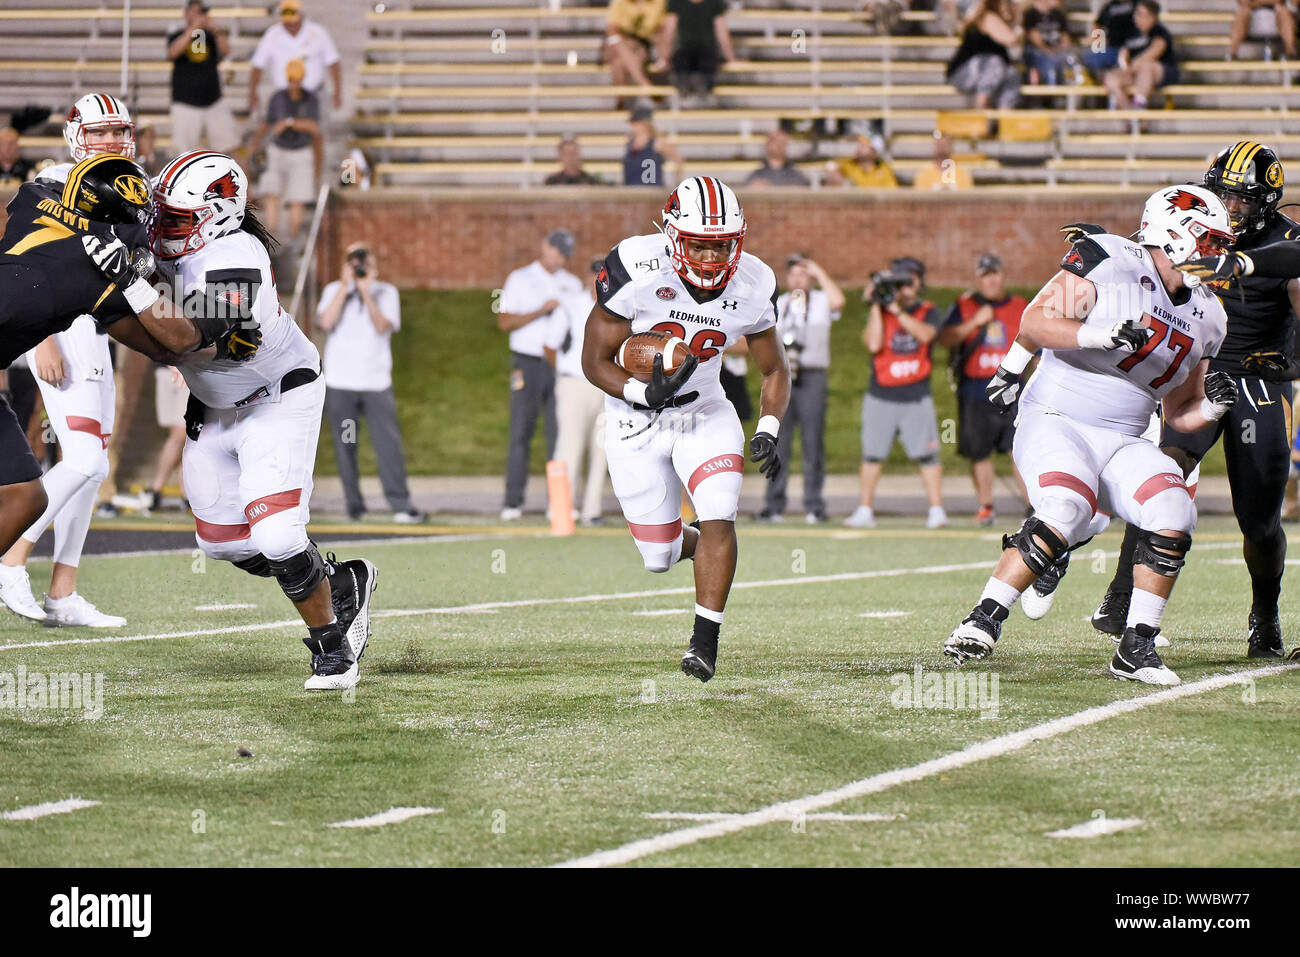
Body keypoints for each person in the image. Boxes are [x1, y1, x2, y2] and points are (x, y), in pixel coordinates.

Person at [944, 185, 1237, 687]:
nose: (1218, 255)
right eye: (1208, 242)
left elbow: (1178, 413)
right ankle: (983, 617)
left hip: (1126, 438)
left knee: (1175, 509)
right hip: (1058, 417)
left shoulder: (1210, 314)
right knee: (1066, 508)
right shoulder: (1110, 257)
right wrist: (1100, 335)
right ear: (1172, 232)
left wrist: (1211, 405)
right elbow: (1034, 322)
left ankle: (1136, 645)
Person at [149, 150, 377, 690]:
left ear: (218, 213)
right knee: (223, 542)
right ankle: (341, 581)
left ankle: (332, 650)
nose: (163, 229)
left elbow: (181, 337)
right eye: (162, 216)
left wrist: (125, 289)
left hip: (275, 396)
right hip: (214, 404)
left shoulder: (236, 255)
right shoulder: (166, 241)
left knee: (276, 535)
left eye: (177, 219)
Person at [1088, 143, 1300, 659]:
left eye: (1244, 200)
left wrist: (1242, 262)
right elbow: (1141, 254)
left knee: (1259, 516)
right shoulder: (1193, 218)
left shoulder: (1281, 238)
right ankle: (1121, 597)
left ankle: (1265, 614)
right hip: (1199, 374)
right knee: (1161, 472)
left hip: (1258, 380)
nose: (1231, 208)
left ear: (1269, 203)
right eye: (1225, 195)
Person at [582, 176, 790, 681]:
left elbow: (775, 369)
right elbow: (594, 359)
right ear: (674, 237)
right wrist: (641, 392)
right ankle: (690, 545)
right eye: (700, 245)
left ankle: (704, 642)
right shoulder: (635, 265)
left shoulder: (754, 282)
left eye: (722, 247)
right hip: (635, 420)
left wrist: (767, 426)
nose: (712, 260)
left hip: (705, 412)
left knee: (720, 513)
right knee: (659, 555)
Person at [0, 152, 240, 577]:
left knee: (26, 495)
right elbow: (171, 346)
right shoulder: (97, 275)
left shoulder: (32, 197)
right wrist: (134, 283)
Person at [0, 96, 145, 627]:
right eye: (101, 131)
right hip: (64, 326)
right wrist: (43, 337)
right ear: (76, 135)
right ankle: (11, 557)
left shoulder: (134, 188)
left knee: (95, 464)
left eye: (120, 131)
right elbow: (20, 260)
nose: (111, 141)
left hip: (97, 328)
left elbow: (137, 275)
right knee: (82, 460)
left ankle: (63, 591)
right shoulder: (57, 180)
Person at [318, 243, 421, 523]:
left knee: (388, 444)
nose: (360, 267)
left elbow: (382, 326)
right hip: (342, 384)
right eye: (354, 262)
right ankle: (355, 505)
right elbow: (326, 323)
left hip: (376, 383)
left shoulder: (387, 292)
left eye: (364, 262)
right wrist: (345, 286)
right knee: (346, 444)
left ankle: (400, 504)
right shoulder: (332, 291)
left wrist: (366, 290)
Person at [845, 257, 947, 530]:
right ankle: (865, 509)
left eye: (910, 281)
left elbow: (926, 336)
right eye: (901, 281)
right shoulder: (884, 310)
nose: (905, 287)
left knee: (927, 455)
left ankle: (936, 510)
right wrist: (878, 305)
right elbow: (874, 343)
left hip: (916, 395)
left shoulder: (928, 310)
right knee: (872, 455)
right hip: (882, 394)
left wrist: (898, 311)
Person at [497, 229, 583, 520]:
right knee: (521, 430)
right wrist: (541, 310)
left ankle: (556, 504)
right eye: (556, 251)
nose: (560, 258)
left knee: (558, 436)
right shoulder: (520, 278)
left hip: (559, 364)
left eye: (565, 254)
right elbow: (505, 321)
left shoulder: (572, 284)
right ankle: (512, 503)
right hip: (527, 363)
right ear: (545, 246)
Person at [938, 252, 1029, 527]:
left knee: (1020, 448)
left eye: (995, 274)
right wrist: (974, 322)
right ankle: (986, 505)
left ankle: (1033, 506)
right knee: (979, 451)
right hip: (976, 387)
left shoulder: (1019, 305)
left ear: (1003, 276)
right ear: (978, 279)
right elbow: (944, 339)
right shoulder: (965, 305)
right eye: (985, 276)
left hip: (1011, 385)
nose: (990, 281)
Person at [759, 255, 844, 523]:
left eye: (803, 274)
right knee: (778, 441)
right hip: (784, 377)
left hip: (812, 376)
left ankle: (814, 505)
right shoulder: (781, 304)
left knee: (812, 442)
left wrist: (819, 272)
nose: (798, 279)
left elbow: (839, 301)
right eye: (793, 274)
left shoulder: (820, 301)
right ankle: (773, 505)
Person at [547, 259, 608, 526]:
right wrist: (566, 370)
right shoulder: (571, 306)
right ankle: (561, 508)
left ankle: (591, 510)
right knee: (569, 445)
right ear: (587, 278)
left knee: (602, 449)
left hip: (607, 386)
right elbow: (550, 345)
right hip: (575, 383)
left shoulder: (619, 305)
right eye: (596, 276)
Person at [249, 58, 321, 239]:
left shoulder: (311, 100)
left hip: (301, 151)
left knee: (298, 198)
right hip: (278, 149)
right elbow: (268, 123)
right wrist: (255, 144)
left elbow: (314, 127)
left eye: (296, 80)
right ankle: (271, 234)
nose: (294, 84)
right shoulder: (278, 98)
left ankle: (293, 237)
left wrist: (290, 123)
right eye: (291, 80)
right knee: (271, 191)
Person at [166, 0, 238, 154]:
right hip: (186, 102)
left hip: (213, 100)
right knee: (182, 152)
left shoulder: (211, 36)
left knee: (228, 148)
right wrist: (193, 28)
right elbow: (172, 53)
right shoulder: (177, 34)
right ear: (186, 14)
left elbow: (226, 51)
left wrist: (216, 29)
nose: (200, 15)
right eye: (195, 11)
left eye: (202, 12)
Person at [247, 0, 341, 116]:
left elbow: (333, 62)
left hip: (314, 94)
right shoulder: (272, 35)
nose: (290, 26)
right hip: (284, 97)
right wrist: (252, 93)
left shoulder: (318, 33)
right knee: (281, 129)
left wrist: (337, 91)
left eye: (293, 22)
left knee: (316, 129)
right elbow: (257, 65)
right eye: (287, 23)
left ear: (301, 16)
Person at [946, 0, 1021, 110]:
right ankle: (980, 108)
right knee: (995, 63)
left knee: (1012, 73)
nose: (1005, 7)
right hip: (964, 73)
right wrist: (1021, 27)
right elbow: (1010, 39)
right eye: (1002, 3)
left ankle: (1004, 116)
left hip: (989, 74)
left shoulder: (1005, 20)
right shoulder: (987, 17)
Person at [657, 0, 736, 106]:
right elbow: (669, 31)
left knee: (687, 65)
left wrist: (663, 58)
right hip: (693, 52)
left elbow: (669, 30)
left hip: (698, 52)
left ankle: (690, 85)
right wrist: (664, 57)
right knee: (689, 64)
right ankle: (696, 85)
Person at [1103, 0, 1177, 110]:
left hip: (1162, 72)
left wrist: (1131, 68)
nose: (1136, 17)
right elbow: (1124, 55)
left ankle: (1139, 105)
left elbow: (1152, 54)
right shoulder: (1131, 33)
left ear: (1152, 17)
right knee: (1111, 78)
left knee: (1146, 67)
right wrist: (1124, 66)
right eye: (1136, 13)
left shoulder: (1160, 32)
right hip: (1136, 72)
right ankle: (1129, 114)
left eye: (1140, 14)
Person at [604, 0, 669, 103]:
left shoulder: (658, 3)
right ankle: (645, 85)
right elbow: (612, 29)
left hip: (641, 45)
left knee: (619, 63)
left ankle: (620, 103)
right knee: (620, 44)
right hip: (619, 44)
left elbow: (660, 29)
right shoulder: (620, 2)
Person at [622, 107, 681, 187]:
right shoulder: (630, 144)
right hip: (631, 192)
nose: (633, 126)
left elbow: (678, 160)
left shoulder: (657, 142)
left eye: (636, 123)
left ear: (645, 123)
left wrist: (677, 183)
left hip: (652, 193)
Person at [1022, 0, 1075, 85]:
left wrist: (1058, 49)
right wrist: (1049, 51)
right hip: (1037, 53)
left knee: (1071, 59)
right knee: (1049, 63)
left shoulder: (1059, 14)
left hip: (1057, 52)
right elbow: (1035, 39)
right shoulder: (1031, 14)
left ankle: (1070, 93)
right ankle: (1052, 93)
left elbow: (1066, 40)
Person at [1083, 0, 1137, 79]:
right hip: (1113, 48)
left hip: (1135, 47)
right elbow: (1098, 25)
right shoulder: (1110, 6)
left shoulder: (1139, 4)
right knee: (1090, 59)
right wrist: (1099, 46)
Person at [825, 132, 899, 189]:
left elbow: (892, 194)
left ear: (874, 152)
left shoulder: (884, 170)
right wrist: (843, 182)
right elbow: (831, 166)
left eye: (864, 145)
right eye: (859, 144)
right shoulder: (850, 163)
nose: (859, 148)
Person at [1229, 0, 1296, 61]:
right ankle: (1232, 53)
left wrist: (1255, 2)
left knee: (1283, 11)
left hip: (1276, 17)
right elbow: (1243, 2)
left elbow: (1279, 1)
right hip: (1251, 19)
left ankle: (1290, 52)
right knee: (1242, 12)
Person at [745, 129, 810, 188]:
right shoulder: (757, 174)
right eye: (774, 141)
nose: (778, 145)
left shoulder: (795, 174)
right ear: (767, 145)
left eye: (782, 142)